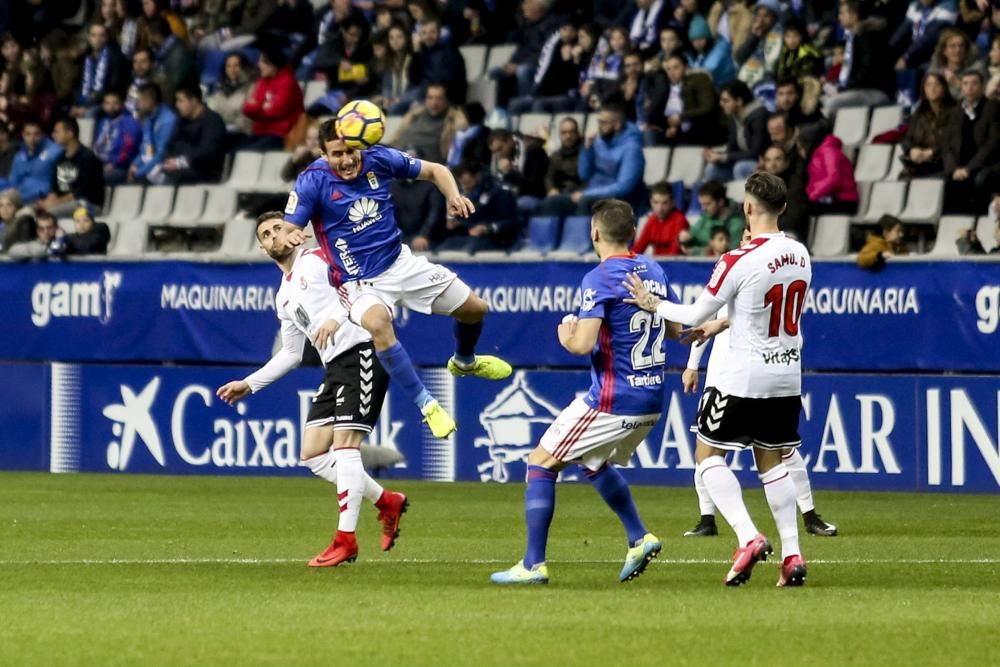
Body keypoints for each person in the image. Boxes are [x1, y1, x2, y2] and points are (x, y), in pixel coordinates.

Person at [626, 172, 811, 587]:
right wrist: (722, 324)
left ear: (747, 208)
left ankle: (748, 537)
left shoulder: (737, 259)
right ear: (783, 207)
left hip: (743, 377)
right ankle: (793, 556)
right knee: (773, 463)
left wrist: (653, 304)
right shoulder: (801, 254)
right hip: (786, 375)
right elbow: (766, 308)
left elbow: (691, 315)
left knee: (708, 457)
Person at [282, 119, 513, 440]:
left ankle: (464, 361)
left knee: (476, 309)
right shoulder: (312, 181)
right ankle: (428, 405)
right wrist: (293, 235)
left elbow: (436, 170)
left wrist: (453, 196)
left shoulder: (378, 158)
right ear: (323, 154)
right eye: (337, 154)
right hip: (356, 280)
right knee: (378, 324)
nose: (346, 160)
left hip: (400, 262)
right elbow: (290, 225)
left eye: (350, 151)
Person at [490, 199, 679, 586]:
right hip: (652, 396)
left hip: (614, 398)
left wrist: (566, 335)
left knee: (541, 462)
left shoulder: (600, 277)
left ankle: (532, 565)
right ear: (632, 232)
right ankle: (638, 537)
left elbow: (582, 344)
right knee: (592, 462)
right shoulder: (654, 270)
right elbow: (677, 330)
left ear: (594, 232)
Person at [216, 211, 409, 568]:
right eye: (266, 234)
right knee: (314, 454)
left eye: (279, 228)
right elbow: (291, 353)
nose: (274, 236)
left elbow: (360, 287)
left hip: (364, 349)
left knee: (344, 447)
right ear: (262, 247)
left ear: (293, 231)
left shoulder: (319, 258)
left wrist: (338, 318)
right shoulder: (284, 297)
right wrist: (250, 383)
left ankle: (345, 540)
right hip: (335, 366)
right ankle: (386, 502)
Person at [681, 228, 838, 538]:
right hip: (723, 376)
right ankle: (707, 518)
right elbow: (704, 325)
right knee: (710, 451)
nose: (747, 241)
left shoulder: (761, 276)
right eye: (745, 237)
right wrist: (692, 366)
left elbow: (730, 319)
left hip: (754, 374)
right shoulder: (735, 271)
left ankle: (808, 515)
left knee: (781, 453)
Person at [538, 105, 645, 217]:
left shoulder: (632, 149)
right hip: (590, 194)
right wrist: (587, 149)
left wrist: (587, 194)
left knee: (586, 203)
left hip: (617, 200)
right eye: (599, 122)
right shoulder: (599, 142)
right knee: (552, 203)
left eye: (604, 123)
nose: (599, 126)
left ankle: (579, 234)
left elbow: (624, 187)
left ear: (617, 124)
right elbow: (584, 175)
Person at [823, 0, 895, 119]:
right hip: (858, 89)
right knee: (821, 100)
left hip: (875, 91)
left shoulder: (868, 37)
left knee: (832, 104)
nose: (839, 17)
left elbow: (867, 73)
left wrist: (843, 88)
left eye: (843, 13)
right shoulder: (854, 36)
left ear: (855, 16)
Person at [943, 70, 1000, 213]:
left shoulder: (993, 108)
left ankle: (978, 220)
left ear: (982, 86)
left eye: (974, 83)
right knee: (942, 184)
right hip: (958, 166)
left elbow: (992, 144)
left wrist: (969, 168)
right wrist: (953, 169)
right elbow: (946, 145)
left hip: (986, 165)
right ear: (960, 87)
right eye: (965, 84)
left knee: (981, 180)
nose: (970, 88)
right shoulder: (954, 112)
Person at [437, 161, 520, 253]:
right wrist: (458, 222)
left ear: (478, 176)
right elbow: (473, 219)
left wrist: (488, 228)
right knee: (444, 248)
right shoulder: (472, 194)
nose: (465, 187)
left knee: (467, 251)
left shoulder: (499, 192)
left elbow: (512, 221)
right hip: (471, 238)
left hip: (496, 239)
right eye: (462, 184)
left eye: (467, 183)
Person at [152, 86, 226, 184]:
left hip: (201, 175)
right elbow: (169, 145)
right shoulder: (181, 121)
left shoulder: (212, 121)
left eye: (180, 101)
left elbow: (207, 151)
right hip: (175, 172)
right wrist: (166, 160)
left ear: (194, 101)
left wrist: (179, 163)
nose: (177, 105)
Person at [643, 54, 719, 147]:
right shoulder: (665, 87)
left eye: (676, 67)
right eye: (668, 69)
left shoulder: (699, 79)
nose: (671, 72)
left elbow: (707, 107)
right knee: (650, 132)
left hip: (700, 127)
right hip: (676, 130)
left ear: (685, 67)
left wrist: (681, 118)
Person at [241, 46, 304, 152]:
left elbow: (275, 111)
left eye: (262, 62)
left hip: (279, 135)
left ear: (273, 64)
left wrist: (257, 106)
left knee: (248, 153)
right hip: (259, 132)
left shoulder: (288, 83)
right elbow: (247, 109)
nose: (259, 65)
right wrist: (263, 105)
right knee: (236, 151)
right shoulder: (262, 82)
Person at [703, 80, 768, 183]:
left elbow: (755, 152)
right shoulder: (735, 116)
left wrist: (723, 156)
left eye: (725, 101)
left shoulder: (759, 116)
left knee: (740, 167)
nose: (721, 104)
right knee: (712, 169)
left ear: (739, 101)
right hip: (741, 161)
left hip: (762, 163)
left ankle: (744, 198)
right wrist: (716, 155)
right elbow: (731, 149)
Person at [39, 118, 106, 216]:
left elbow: (81, 192)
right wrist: (49, 200)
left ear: (70, 133)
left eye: (57, 131)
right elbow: (54, 187)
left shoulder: (88, 158)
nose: (53, 135)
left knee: (49, 214)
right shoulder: (60, 158)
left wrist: (55, 203)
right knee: (31, 212)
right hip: (63, 202)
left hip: (88, 204)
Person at [900, 72, 957, 178]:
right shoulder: (918, 113)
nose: (932, 88)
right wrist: (912, 150)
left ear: (944, 89)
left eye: (937, 85)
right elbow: (907, 139)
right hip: (921, 163)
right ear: (924, 90)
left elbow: (954, 141)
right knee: (904, 177)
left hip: (944, 163)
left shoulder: (955, 112)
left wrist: (931, 152)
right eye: (928, 85)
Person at [389, 83, 460, 165]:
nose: (434, 103)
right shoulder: (415, 114)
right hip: (398, 156)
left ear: (446, 100)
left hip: (422, 165)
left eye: (439, 98)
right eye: (430, 98)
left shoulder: (452, 119)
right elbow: (397, 136)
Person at [71, 22, 130, 118]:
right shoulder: (84, 58)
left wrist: (88, 105)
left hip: (104, 102)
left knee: (89, 113)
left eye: (101, 35)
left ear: (106, 38)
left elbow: (112, 86)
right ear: (89, 38)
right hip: (84, 100)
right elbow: (77, 84)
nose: (97, 39)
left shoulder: (115, 57)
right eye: (93, 35)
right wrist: (75, 104)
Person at [799, 123, 859, 217]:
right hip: (829, 199)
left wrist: (812, 196)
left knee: (801, 212)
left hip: (843, 201)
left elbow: (833, 179)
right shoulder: (818, 153)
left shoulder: (828, 151)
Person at [1, 121, 62, 204]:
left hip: (42, 199)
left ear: (43, 134)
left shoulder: (56, 152)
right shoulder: (19, 156)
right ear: (22, 135)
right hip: (19, 199)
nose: (32, 139)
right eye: (28, 134)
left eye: (36, 134)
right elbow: (12, 183)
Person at [487, 129, 549, 212]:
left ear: (509, 140)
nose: (499, 154)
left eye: (500, 149)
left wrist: (511, 172)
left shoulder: (534, 152)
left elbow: (534, 186)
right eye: (495, 152)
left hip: (532, 197)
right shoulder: (499, 158)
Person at [890, 0, 959, 72]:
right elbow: (901, 31)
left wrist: (906, 57)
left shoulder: (949, 5)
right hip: (915, 52)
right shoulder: (915, 4)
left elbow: (929, 37)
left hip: (935, 55)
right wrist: (887, 49)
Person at [129, 82, 177, 183]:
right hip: (150, 166)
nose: (137, 104)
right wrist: (134, 164)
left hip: (165, 168)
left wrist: (139, 172)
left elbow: (161, 154)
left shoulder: (167, 120)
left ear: (150, 101)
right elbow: (145, 148)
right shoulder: (148, 119)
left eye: (140, 100)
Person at [682, 181, 746, 255]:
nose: (703, 208)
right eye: (702, 204)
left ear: (720, 202)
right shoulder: (706, 217)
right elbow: (691, 238)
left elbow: (729, 251)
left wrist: (696, 251)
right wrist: (684, 239)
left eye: (707, 204)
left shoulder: (737, 223)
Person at [93, 91, 142, 185]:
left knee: (95, 179)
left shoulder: (130, 123)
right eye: (107, 103)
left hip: (120, 168)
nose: (111, 107)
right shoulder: (102, 122)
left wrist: (114, 164)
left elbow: (129, 149)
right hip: (100, 165)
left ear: (122, 104)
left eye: (115, 103)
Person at [207, 53, 254, 142]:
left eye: (236, 66)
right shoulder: (220, 87)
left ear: (244, 68)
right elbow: (213, 112)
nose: (232, 70)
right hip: (220, 133)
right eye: (228, 66)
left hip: (241, 134)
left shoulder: (251, 88)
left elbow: (246, 119)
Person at [632, 181, 688, 256]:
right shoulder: (652, 220)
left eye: (664, 203)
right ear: (650, 202)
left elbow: (673, 255)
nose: (659, 209)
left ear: (672, 202)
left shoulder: (680, 220)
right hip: (659, 264)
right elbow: (637, 250)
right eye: (655, 202)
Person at [544, 117, 583, 197]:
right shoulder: (555, 156)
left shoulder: (585, 155)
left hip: (578, 196)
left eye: (571, 132)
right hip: (559, 195)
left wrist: (582, 192)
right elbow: (549, 178)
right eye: (564, 133)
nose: (568, 136)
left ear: (577, 134)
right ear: (560, 135)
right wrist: (551, 189)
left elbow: (589, 179)